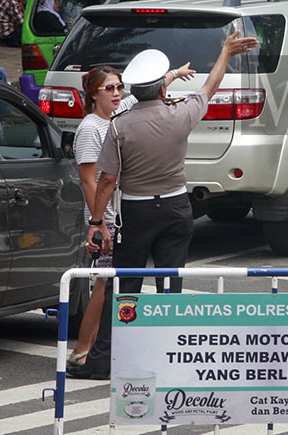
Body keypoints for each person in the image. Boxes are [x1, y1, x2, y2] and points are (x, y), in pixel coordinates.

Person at [66, 32, 260, 381]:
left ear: (133, 90)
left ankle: (103, 360)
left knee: (124, 289)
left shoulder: (119, 126)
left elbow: (106, 180)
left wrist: (96, 221)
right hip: (176, 208)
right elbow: (209, 88)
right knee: (170, 287)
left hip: (136, 213)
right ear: (161, 90)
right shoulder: (179, 114)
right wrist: (225, 52)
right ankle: (168, 360)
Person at [65, 62, 195, 368]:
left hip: (119, 213)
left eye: (120, 87)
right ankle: (84, 350)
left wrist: (175, 74)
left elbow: (148, 89)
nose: (117, 93)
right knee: (105, 284)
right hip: (105, 216)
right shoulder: (90, 128)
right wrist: (101, 223)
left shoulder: (119, 114)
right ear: (93, 94)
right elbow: (89, 180)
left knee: (109, 283)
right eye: (109, 88)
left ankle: (93, 349)